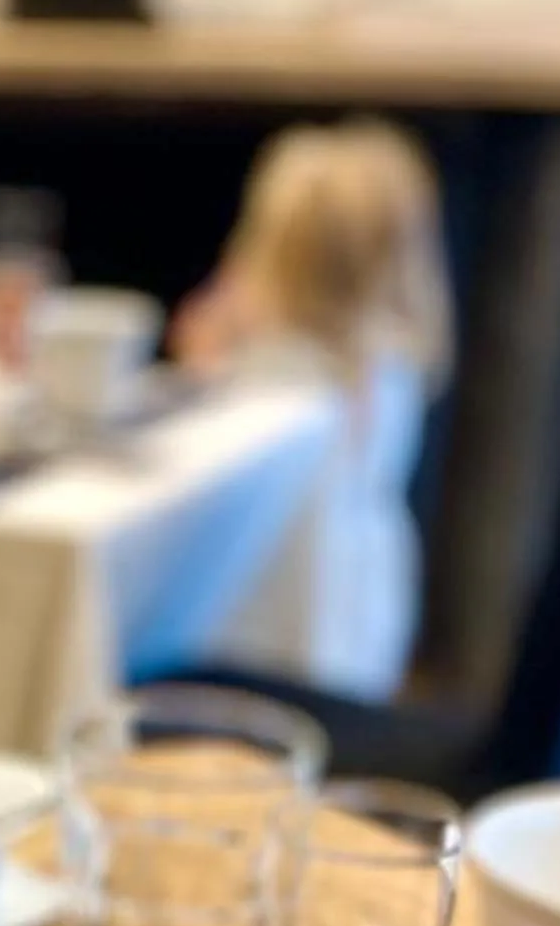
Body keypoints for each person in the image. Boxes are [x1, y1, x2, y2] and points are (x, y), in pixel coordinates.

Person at [172, 121, 451, 701]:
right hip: (362, 631)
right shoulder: (391, 365)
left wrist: (204, 354)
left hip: (269, 646)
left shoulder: (275, 387)